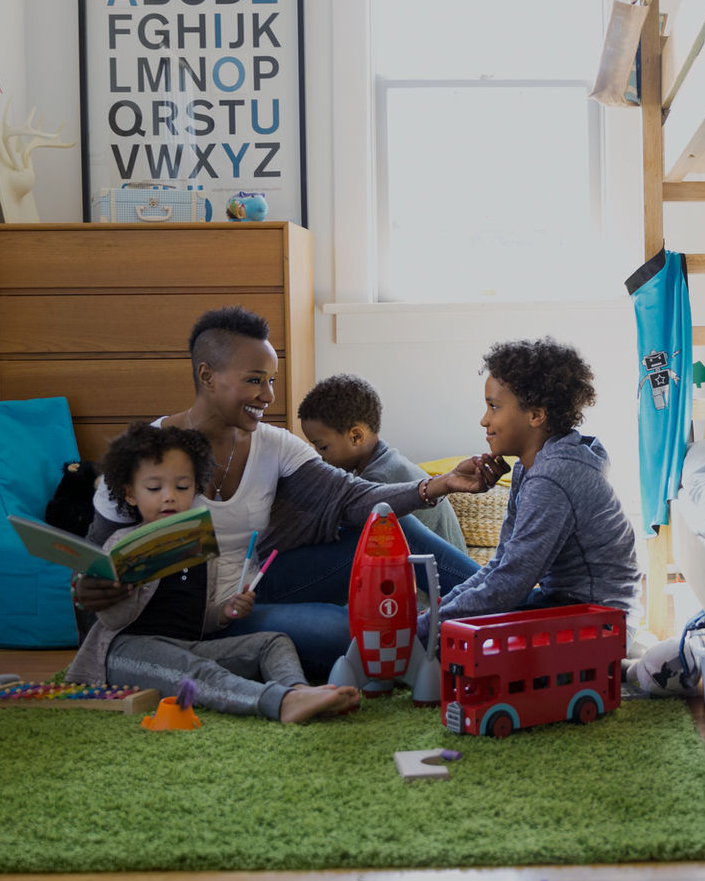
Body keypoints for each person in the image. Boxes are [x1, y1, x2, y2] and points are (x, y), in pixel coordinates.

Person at [73, 306, 500, 679]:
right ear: (207, 375)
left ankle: (506, 598)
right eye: (255, 380)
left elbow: (353, 497)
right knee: (348, 631)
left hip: (255, 585)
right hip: (198, 618)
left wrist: (440, 484)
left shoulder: (274, 445)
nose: (269, 395)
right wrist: (91, 588)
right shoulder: (143, 455)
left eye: (271, 380)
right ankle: (450, 633)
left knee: (388, 524)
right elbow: (93, 563)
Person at [64, 424, 360, 723]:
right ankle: (280, 703)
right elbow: (113, 622)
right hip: (126, 652)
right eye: (154, 489)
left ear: (196, 488)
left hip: (188, 647)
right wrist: (120, 589)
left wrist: (224, 612)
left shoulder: (199, 547)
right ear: (129, 494)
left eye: (182, 487)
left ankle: (298, 690)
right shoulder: (122, 544)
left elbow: (195, 618)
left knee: (274, 641)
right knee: (198, 672)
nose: (169, 497)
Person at [424, 337, 641, 633]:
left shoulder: (553, 477)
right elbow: (501, 564)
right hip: (559, 602)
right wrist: (434, 617)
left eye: (494, 406)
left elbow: (509, 585)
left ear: (536, 415)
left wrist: (425, 628)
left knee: (451, 646)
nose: (484, 420)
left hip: (598, 623)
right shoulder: (530, 468)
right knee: (439, 628)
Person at [297, 373, 469, 555]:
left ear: (356, 436)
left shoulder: (381, 479)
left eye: (323, 447)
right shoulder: (383, 463)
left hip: (437, 580)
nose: (319, 457)